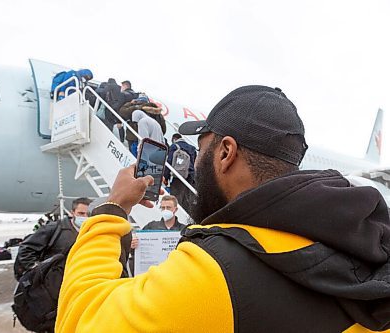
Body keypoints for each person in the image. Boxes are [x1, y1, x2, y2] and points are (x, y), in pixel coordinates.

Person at [55, 85, 390, 332]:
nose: (194, 161)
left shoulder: (211, 272)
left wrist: (112, 208)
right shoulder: (368, 241)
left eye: (200, 149)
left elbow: (81, 319)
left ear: (225, 153)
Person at [16, 197, 91, 275]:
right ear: (72, 213)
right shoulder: (54, 229)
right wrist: (38, 271)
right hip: (54, 281)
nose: (85, 217)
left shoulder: (93, 231)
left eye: (88, 214)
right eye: (81, 213)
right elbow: (26, 249)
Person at [163, 133, 197, 209]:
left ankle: (174, 213)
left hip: (178, 175)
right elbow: (194, 163)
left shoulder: (175, 146)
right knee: (186, 198)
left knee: (175, 197)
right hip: (190, 176)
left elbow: (169, 161)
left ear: (174, 139)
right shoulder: (192, 148)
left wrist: (166, 177)